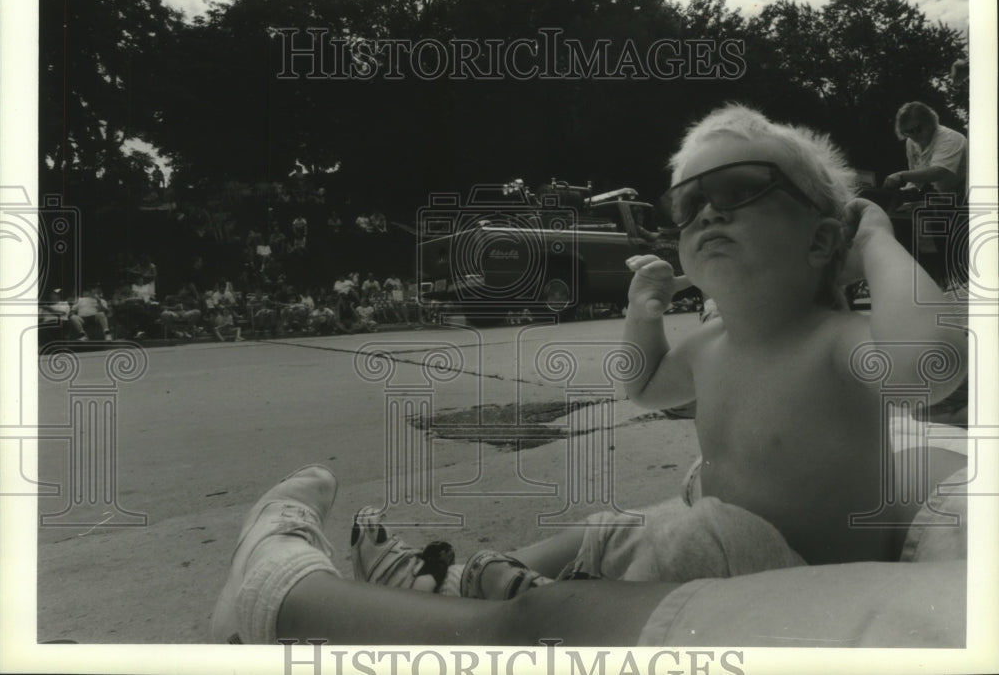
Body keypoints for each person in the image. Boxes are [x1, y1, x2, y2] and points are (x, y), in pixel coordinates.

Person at [211, 105, 968, 645]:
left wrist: (878, 240)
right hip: (711, 546)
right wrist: (643, 312)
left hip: (788, 569)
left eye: (741, 190)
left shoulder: (836, 339)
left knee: (669, 531)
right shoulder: (708, 346)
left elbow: (931, 368)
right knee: (619, 525)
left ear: (821, 240)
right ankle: (473, 576)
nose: (707, 214)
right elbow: (644, 387)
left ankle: (481, 593)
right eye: (689, 202)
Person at [885, 101, 967, 198]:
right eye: (907, 132)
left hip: (965, 194)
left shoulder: (949, 138)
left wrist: (900, 176)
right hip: (943, 195)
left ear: (929, 122)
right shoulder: (911, 142)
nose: (913, 135)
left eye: (917, 129)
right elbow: (917, 177)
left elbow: (939, 172)